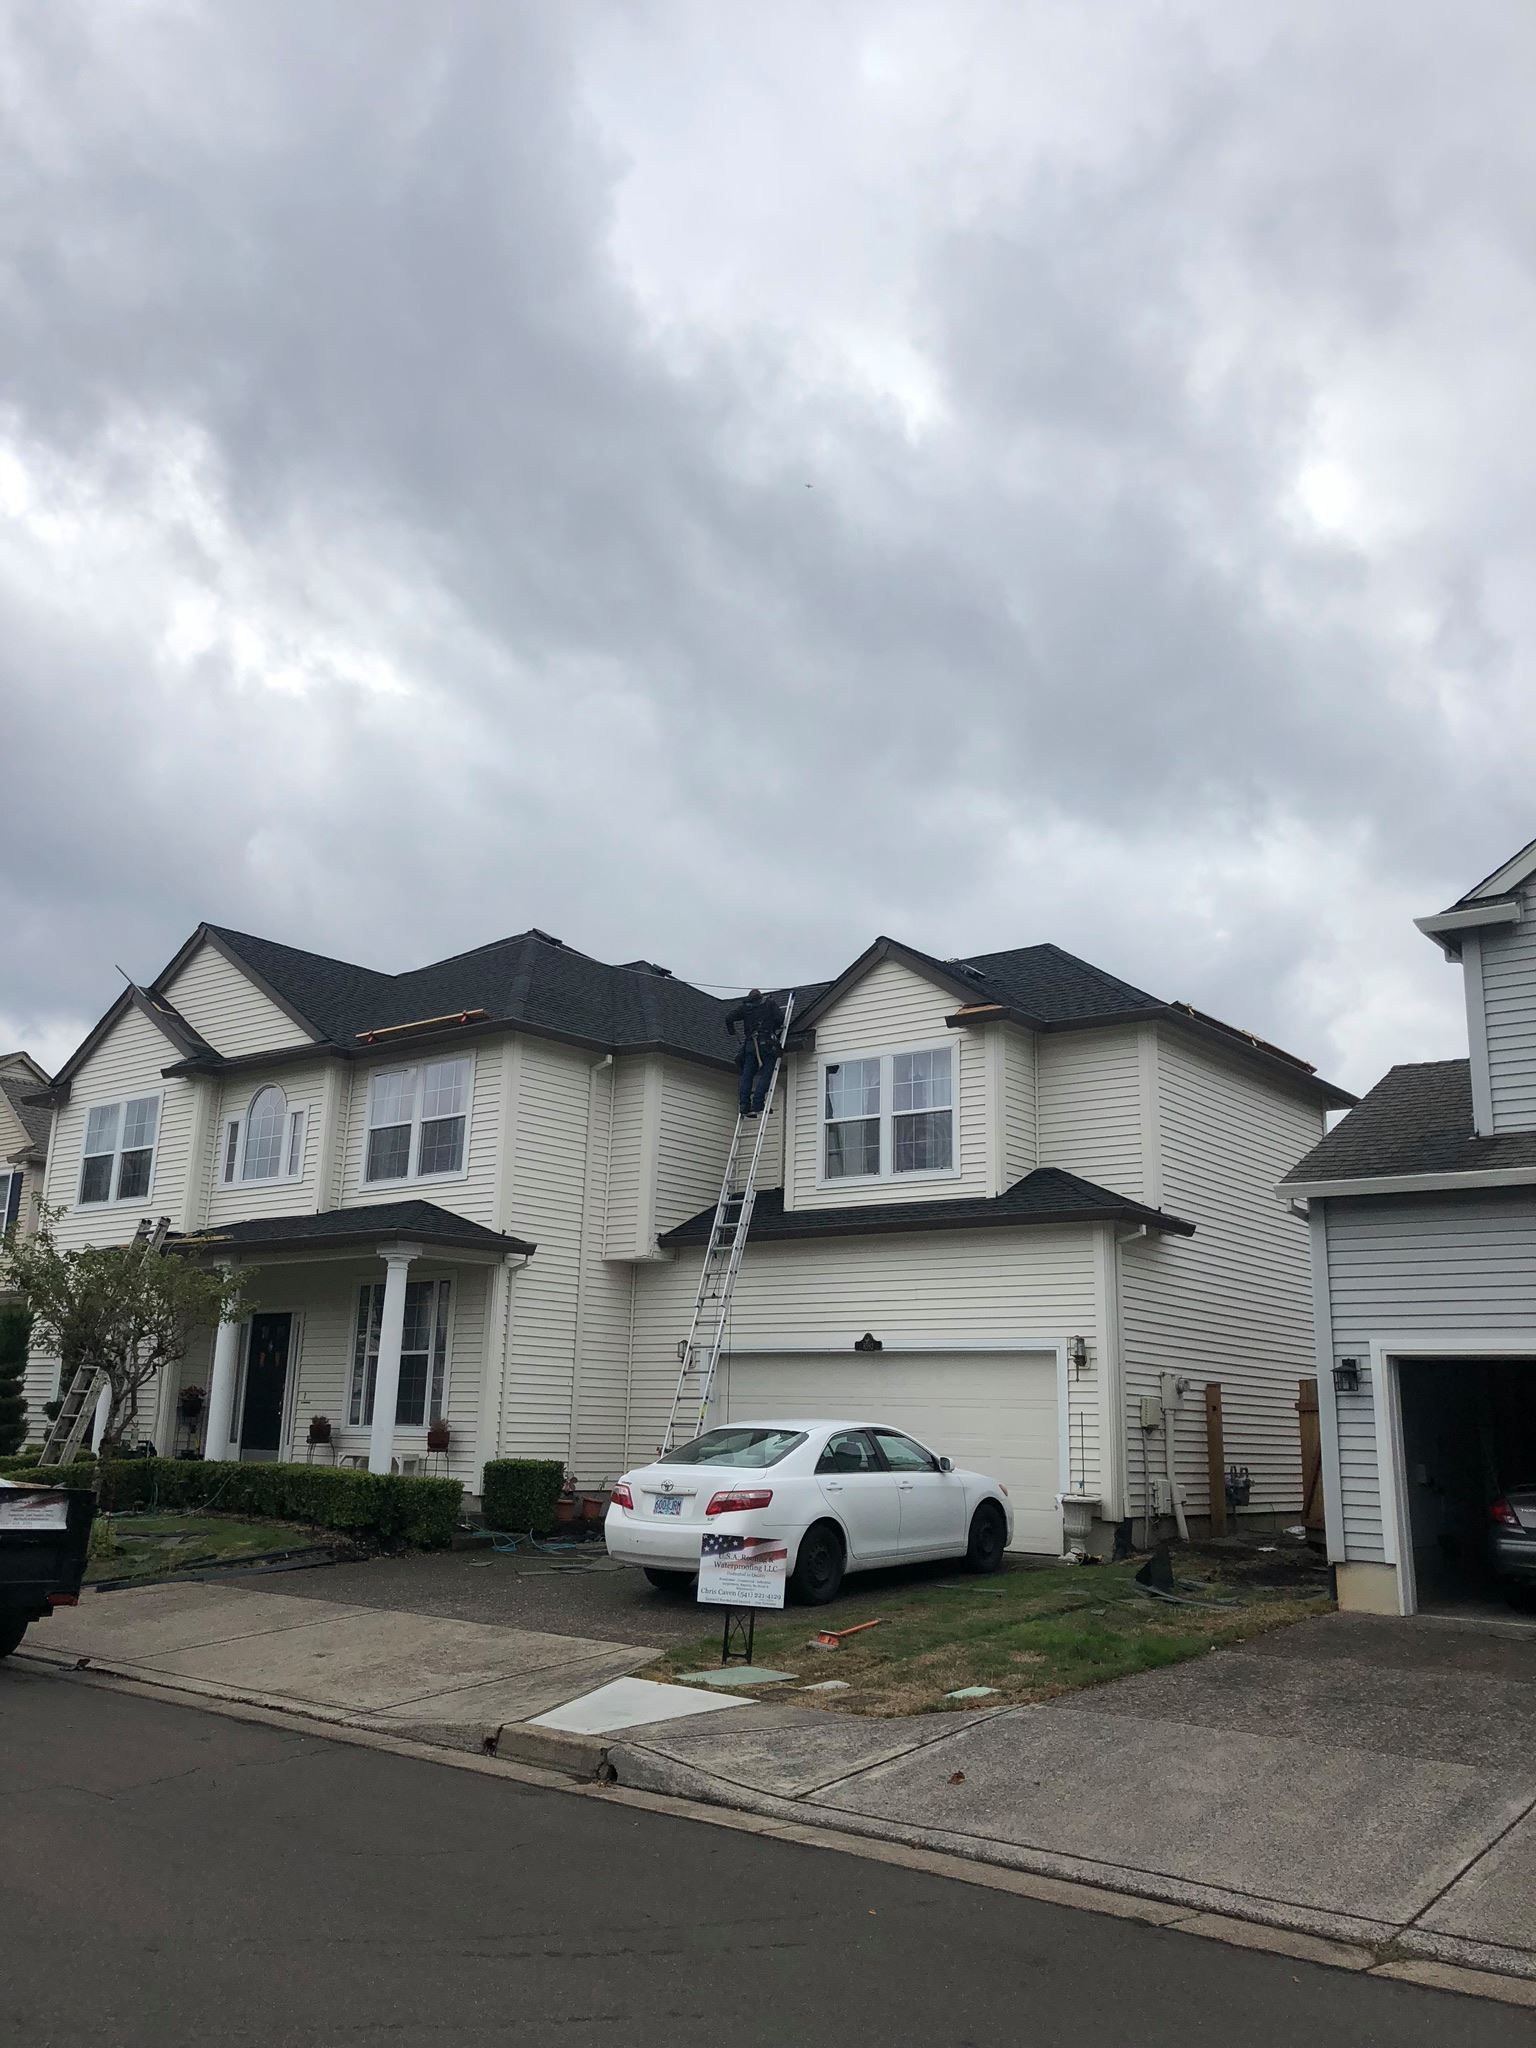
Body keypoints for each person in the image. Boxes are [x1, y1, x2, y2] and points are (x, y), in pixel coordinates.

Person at [724, 987, 785, 1117]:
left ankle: (744, 1105)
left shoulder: (745, 1007)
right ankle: (758, 1103)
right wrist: (772, 1027)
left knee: (747, 1075)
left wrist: (732, 1032)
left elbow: (728, 1018)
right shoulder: (769, 1003)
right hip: (767, 1044)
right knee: (767, 1073)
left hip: (751, 1045)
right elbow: (780, 1019)